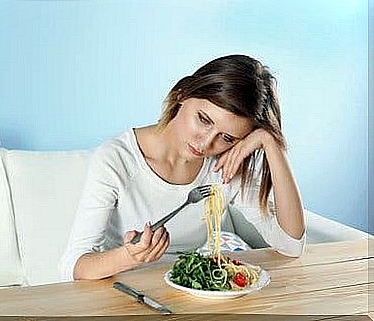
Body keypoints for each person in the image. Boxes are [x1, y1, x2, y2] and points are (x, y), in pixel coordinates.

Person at [58, 54, 306, 281]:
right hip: (122, 288)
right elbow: (73, 265)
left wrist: (272, 143)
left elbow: (291, 244)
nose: (207, 143)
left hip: (189, 292)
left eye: (227, 138)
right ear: (181, 95)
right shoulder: (117, 159)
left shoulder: (224, 166)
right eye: (203, 119)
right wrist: (130, 256)